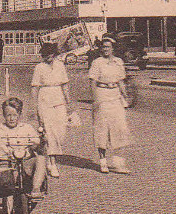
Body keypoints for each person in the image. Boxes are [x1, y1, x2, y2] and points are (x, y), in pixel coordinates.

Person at [87, 36, 133, 174]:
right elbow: (93, 83)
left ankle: (118, 163)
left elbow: (120, 81)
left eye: (108, 47)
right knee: (102, 129)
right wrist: (95, 100)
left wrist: (125, 96)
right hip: (102, 95)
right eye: (104, 47)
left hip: (115, 96)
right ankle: (103, 161)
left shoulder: (118, 62)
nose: (106, 49)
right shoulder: (97, 63)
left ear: (113, 49)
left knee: (119, 128)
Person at [31, 42, 77, 179]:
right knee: (49, 132)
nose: (48, 57)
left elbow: (65, 85)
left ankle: (50, 156)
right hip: (45, 100)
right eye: (45, 55)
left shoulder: (60, 65)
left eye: (50, 54)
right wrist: (33, 107)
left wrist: (69, 103)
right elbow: (34, 88)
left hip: (59, 99)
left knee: (60, 132)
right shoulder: (39, 68)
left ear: (54, 54)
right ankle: (52, 163)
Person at [0, 97, 46, 198]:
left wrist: (39, 141)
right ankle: (8, 203)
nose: (12, 119)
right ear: (4, 115)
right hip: (5, 162)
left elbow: (36, 144)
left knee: (41, 159)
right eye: (8, 115)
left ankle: (36, 189)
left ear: (19, 114)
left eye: (15, 115)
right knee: (6, 185)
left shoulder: (27, 128)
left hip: (25, 162)